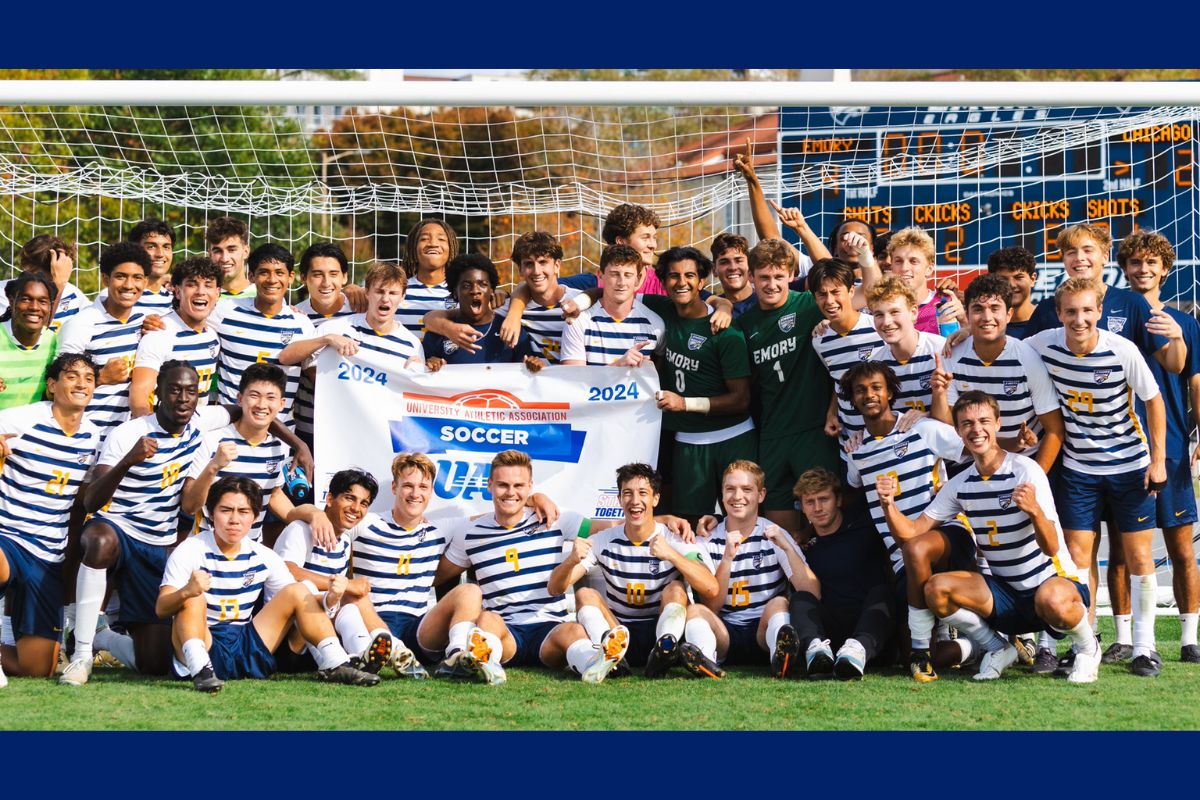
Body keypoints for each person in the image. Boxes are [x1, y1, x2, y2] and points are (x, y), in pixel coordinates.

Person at [879, 391, 1098, 684]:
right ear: (958, 431)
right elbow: (912, 533)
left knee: (1053, 600)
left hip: (1049, 585)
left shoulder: (1025, 471)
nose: (976, 429)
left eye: (983, 421)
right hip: (1005, 594)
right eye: (967, 423)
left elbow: (1051, 547)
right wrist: (888, 504)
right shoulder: (960, 484)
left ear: (997, 424)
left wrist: (1034, 512)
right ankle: (998, 648)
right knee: (936, 589)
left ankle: (1087, 647)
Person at [1027, 277, 1167, 677]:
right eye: (1071, 311)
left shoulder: (1122, 350)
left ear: (1100, 311)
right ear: (1059, 314)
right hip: (1079, 470)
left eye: (1087, 310)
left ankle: (1145, 647)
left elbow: (1153, 401)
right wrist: (958, 336)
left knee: (1139, 557)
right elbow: (1004, 345)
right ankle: (1084, 644)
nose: (1079, 318)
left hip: (1129, 468)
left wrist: (1158, 460)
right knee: (1075, 557)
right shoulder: (1044, 343)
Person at [60, 361, 223, 685]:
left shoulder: (202, 428)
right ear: (157, 394)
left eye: (191, 391)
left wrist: (299, 444)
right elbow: (92, 501)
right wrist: (128, 461)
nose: (183, 398)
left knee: (154, 663)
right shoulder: (129, 432)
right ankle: (80, 656)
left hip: (158, 543)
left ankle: (101, 636)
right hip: (118, 528)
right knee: (100, 541)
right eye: (175, 390)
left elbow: (243, 409)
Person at [157, 476, 380, 692]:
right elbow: (161, 608)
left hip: (246, 641)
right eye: (226, 510)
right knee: (193, 597)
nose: (234, 519)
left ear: (254, 517)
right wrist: (186, 591)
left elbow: (299, 602)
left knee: (297, 590)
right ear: (210, 513)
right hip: (205, 639)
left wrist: (329, 598)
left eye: (243, 512)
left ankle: (336, 663)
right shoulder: (190, 549)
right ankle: (201, 672)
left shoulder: (263, 555)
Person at [434, 450, 633, 684]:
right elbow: (436, 576)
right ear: (489, 485)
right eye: (503, 485)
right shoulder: (469, 532)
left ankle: (594, 663)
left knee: (573, 631)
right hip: (506, 630)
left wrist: (663, 520)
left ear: (530, 486)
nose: (511, 492)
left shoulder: (558, 520)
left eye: (518, 485)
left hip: (549, 631)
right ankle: (489, 663)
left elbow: (614, 528)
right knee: (487, 620)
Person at [841, 361, 973, 682]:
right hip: (902, 559)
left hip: (945, 538)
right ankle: (979, 646)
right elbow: (854, 482)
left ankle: (924, 643)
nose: (869, 395)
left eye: (876, 388)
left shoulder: (922, 428)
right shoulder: (856, 452)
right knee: (914, 660)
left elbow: (970, 450)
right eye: (860, 390)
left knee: (917, 549)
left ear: (890, 393)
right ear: (852, 399)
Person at [1106, 232, 1200, 666]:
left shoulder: (1187, 322)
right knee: (1124, 551)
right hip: (1123, 449)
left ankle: (1189, 637)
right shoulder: (1113, 312)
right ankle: (1124, 637)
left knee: (1182, 549)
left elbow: (1194, 381)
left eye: (1151, 263)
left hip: (1174, 447)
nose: (1143, 269)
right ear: (1123, 268)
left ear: (1166, 269)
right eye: (1135, 263)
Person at [548, 463, 721, 679]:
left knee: (676, 588)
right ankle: (611, 655)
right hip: (620, 633)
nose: (635, 501)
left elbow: (711, 588)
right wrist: (571, 561)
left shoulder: (674, 538)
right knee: (585, 594)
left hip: (660, 629)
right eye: (627, 493)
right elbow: (555, 588)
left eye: (643, 493)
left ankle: (663, 651)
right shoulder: (603, 540)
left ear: (656, 498)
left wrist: (671, 555)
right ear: (619, 499)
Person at [338, 454, 499, 681]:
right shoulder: (366, 523)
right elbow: (328, 518)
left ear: (431, 491)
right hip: (372, 621)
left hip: (418, 627)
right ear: (394, 487)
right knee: (354, 592)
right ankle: (395, 651)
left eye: (423, 487)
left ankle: (455, 656)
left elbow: (496, 517)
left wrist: (535, 500)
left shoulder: (440, 529)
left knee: (470, 591)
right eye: (408, 486)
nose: (415, 494)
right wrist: (311, 515)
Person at [0, 354, 100, 685]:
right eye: (72, 376)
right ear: (52, 385)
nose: (82, 383)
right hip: (8, 534)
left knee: (36, 667)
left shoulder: (94, 438)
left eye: (88, 378)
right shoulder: (23, 419)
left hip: (48, 553)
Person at [639, 246, 752, 523]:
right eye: (673, 276)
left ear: (702, 281)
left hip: (733, 437)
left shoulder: (725, 330)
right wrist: (579, 303)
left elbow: (741, 399)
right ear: (663, 282)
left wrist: (684, 403)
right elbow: (610, 294)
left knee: (741, 520)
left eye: (690, 275)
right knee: (689, 526)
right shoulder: (661, 309)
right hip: (687, 441)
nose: (681, 282)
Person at [735, 239, 839, 533]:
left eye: (779, 276)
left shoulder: (810, 304)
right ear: (751, 277)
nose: (771, 284)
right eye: (764, 277)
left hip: (815, 430)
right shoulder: (744, 324)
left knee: (824, 518)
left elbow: (861, 295)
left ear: (792, 275)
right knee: (782, 532)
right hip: (772, 434)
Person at [273, 468, 412, 678]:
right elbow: (287, 571)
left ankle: (363, 654)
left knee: (349, 603)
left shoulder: (345, 541)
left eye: (364, 503)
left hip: (319, 637)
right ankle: (389, 650)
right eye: (349, 498)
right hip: (287, 637)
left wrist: (344, 588)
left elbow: (334, 596)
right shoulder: (300, 529)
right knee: (333, 592)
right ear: (329, 499)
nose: (356, 508)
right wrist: (345, 585)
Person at [180, 363, 332, 545]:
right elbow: (189, 506)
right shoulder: (212, 440)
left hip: (249, 554)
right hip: (206, 548)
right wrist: (213, 467)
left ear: (282, 404)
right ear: (239, 398)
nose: (261, 405)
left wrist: (315, 513)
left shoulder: (280, 447)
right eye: (254, 395)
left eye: (270, 398)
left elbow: (274, 495)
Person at [696, 461, 819, 676]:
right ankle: (705, 661)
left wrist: (787, 548)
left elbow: (812, 592)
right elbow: (712, 606)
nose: (737, 496)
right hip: (725, 632)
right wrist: (727, 559)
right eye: (730, 489)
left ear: (761, 495)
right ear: (722, 495)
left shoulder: (774, 533)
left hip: (763, 632)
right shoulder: (707, 539)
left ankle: (780, 658)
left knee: (779, 602)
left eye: (746, 489)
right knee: (695, 611)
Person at [934, 274, 1065, 474]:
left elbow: (1054, 430)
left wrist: (1035, 478)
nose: (987, 317)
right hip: (970, 464)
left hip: (1022, 463)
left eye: (995, 309)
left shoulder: (1028, 359)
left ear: (1009, 315)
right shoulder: (951, 356)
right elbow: (949, 425)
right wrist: (938, 394)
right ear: (967, 315)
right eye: (978, 309)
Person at [1025, 223, 1184, 374]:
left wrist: (1177, 338)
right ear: (1064, 259)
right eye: (1071, 252)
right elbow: (1023, 359)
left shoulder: (1132, 304)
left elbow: (1173, 365)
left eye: (1088, 250)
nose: (1079, 257)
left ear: (1105, 257)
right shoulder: (1047, 309)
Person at [789, 469, 896, 680]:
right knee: (800, 598)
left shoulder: (865, 525)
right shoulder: (804, 548)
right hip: (830, 637)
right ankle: (816, 653)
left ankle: (857, 650)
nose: (817, 508)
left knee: (883, 592)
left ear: (838, 500)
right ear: (802, 508)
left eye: (824, 499)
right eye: (810, 502)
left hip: (871, 633)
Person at [209, 243, 315, 429]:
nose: (272, 279)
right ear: (251, 276)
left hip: (281, 436)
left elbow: (317, 376)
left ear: (291, 277)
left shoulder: (302, 324)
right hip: (229, 430)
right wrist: (155, 321)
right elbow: (190, 320)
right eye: (264, 272)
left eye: (279, 273)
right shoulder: (225, 311)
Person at [57, 242, 149, 445]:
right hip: (86, 437)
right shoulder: (81, 324)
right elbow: (55, 384)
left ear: (146, 282)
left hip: (129, 437)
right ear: (106, 279)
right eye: (120, 276)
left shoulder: (145, 320)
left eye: (137, 278)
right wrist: (100, 377)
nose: (128, 285)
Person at [278, 262, 425, 383]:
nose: (385, 299)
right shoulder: (335, 329)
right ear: (366, 292)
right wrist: (327, 339)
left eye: (393, 293)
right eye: (379, 291)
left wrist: (419, 374)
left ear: (403, 297)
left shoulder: (411, 345)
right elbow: (286, 357)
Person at [455, 231, 584, 361]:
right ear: (520, 269)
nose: (536, 271)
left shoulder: (579, 303)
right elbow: (456, 313)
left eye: (543, 262)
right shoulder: (507, 308)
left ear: (557, 266)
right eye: (529, 264)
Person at [129, 256, 222, 416]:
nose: (201, 291)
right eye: (192, 284)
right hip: (166, 433)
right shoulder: (159, 334)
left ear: (217, 293)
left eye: (208, 285)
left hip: (197, 434)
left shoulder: (213, 336)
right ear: (178, 291)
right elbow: (140, 392)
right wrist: (149, 431)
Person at [809, 257, 883, 454]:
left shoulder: (878, 328)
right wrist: (832, 411)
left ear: (851, 291)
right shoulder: (819, 340)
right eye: (822, 294)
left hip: (887, 439)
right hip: (850, 445)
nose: (830, 301)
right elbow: (839, 380)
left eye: (835, 292)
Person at [422, 253, 543, 370]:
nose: (475, 291)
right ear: (455, 292)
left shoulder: (511, 330)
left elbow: (528, 375)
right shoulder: (439, 333)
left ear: (491, 291)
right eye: (466, 286)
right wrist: (430, 364)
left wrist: (534, 365)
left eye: (482, 284)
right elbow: (420, 371)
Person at [559, 244, 666, 366]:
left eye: (628, 275)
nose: (621, 283)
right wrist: (618, 366)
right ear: (601, 275)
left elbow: (659, 375)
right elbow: (573, 379)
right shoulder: (578, 322)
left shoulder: (655, 324)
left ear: (637, 279)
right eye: (614, 274)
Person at [293, 242, 356, 446]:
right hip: (308, 426)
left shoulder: (361, 311)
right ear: (304, 278)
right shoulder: (294, 317)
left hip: (356, 425)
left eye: (334, 274)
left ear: (345, 277)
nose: (326, 282)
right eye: (318, 274)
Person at [866, 275, 947, 416]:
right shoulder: (876, 366)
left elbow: (963, 413)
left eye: (894, 312)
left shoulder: (942, 350)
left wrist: (926, 418)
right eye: (879, 315)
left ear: (913, 313)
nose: (886, 322)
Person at [884, 227, 965, 335]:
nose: (904, 268)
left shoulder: (947, 304)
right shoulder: (882, 309)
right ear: (891, 267)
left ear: (929, 269)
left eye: (913, 261)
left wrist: (964, 322)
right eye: (898, 261)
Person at [0, 235, 87, 331]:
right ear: (25, 267)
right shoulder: (4, 293)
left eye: (50, 280)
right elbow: (32, 337)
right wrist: (58, 287)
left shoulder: (74, 296)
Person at [0, 272, 59, 410]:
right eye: (26, 299)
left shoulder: (56, 343)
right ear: (11, 301)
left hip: (37, 430)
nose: (34, 307)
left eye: (42, 301)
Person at [96, 220, 176, 315]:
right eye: (151, 246)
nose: (160, 254)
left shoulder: (177, 298)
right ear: (136, 250)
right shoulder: (118, 296)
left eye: (166, 247)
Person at [396, 218, 457, 338]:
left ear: (451, 248)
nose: (433, 244)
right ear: (413, 248)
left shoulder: (461, 292)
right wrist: (352, 290)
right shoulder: (396, 291)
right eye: (424, 239)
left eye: (441, 239)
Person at [985, 246, 1038, 340]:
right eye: (1003, 279)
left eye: (1018, 277)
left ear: (1032, 279)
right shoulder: (985, 326)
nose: (1011, 285)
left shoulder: (1050, 319)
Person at [710, 232, 758, 319]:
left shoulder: (766, 301)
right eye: (724, 262)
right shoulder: (710, 309)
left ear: (750, 265)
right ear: (714, 270)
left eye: (738, 260)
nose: (733, 267)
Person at [207, 216, 254, 300]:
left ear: (246, 252)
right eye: (218, 251)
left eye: (231, 250)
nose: (225, 259)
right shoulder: (203, 297)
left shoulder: (263, 296)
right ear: (210, 254)